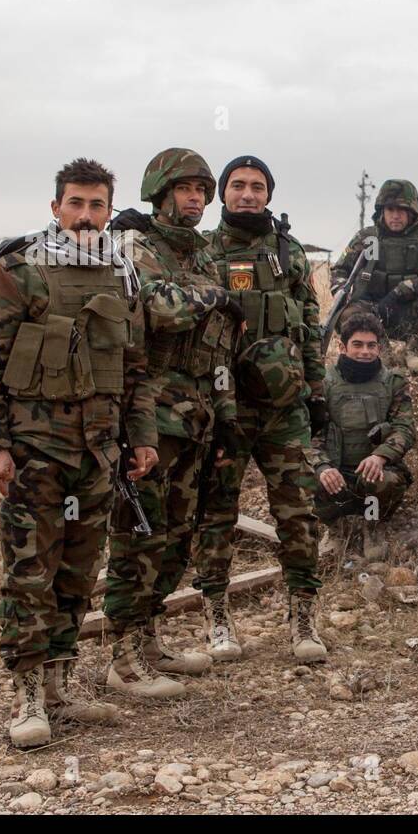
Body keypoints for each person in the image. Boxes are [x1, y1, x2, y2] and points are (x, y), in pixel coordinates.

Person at [0, 157, 156, 746]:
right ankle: (25, 695)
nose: (85, 215)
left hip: (97, 451)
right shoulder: (20, 268)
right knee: (30, 571)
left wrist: (142, 436)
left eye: (97, 205)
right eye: (75, 203)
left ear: (108, 211)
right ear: (56, 207)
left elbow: (137, 368)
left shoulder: (123, 274)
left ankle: (58, 687)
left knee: (77, 572)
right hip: (33, 449)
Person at [102, 148, 244, 696]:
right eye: (186, 189)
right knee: (140, 533)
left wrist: (227, 418)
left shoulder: (204, 255)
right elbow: (160, 309)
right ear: (161, 193)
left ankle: (147, 636)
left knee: (179, 536)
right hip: (150, 418)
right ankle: (121, 656)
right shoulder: (136, 247)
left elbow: (222, 346)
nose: (195, 199)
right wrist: (212, 296)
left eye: (202, 192)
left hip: (199, 417)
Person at [190, 155, 328, 663]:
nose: (248, 194)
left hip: (284, 405)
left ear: (269, 194)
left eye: (257, 186)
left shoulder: (288, 253)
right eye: (238, 185)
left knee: (297, 512)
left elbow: (310, 324)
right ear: (222, 194)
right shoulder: (204, 252)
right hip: (225, 406)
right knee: (217, 513)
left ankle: (304, 615)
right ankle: (217, 614)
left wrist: (317, 388)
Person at [308, 311, 415, 561]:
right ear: (342, 346)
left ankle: (372, 524)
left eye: (371, 345)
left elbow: (404, 428)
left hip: (372, 472)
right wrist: (322, 466)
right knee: (308, 476)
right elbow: (306, 433)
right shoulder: (323, 383)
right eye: (357, 344)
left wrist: (380, 457)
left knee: (386, 481)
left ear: (378, 348)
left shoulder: (393, 382)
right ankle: (335, 527)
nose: (365, 351)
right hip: (336, 470)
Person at [331, 179, 418, 369]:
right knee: (345, 312)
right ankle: (380, 351)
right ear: (382, 211)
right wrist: (341, 291)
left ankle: (412, 351)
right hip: (371, 311)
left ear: (412, 212)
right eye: (390, 210)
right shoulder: (367, 237)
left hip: (408, 311)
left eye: (401, 210)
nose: (395, 216)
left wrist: (404, 289)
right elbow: (340, 270)